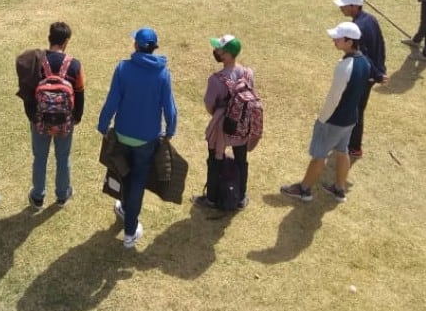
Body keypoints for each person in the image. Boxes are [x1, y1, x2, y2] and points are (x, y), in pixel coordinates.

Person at [96, 27, 178, 248]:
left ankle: (125, 209)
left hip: (122, 135)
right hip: (147, 140)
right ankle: (130, 231)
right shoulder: (163, 74)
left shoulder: (123, 68)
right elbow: (169, 108)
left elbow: (112, 101)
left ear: (136, 46)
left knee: (124, 174)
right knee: (138, 182)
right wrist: (170, 130)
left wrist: (103, 125)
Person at [280, 22, 370, 203]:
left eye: (338, 38)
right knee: (342, 151)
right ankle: (339, 188)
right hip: (351, 118)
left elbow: (334, 98)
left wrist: (322, 120)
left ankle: (304, 189)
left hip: (334, 120)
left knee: (319, 155)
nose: (334, 40)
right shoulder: (365, 63)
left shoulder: (344, 67)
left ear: (350, 41)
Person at [15, 22, 85, 208]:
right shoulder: (74, 65)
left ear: (49, 38)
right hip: (64, 120)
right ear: (66, 41)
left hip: (40, 120)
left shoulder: (37, 61)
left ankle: (38, 196)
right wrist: (76, 117)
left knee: (40, 157)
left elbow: (29, 91)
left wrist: (32, 116)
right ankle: (62, 195)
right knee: (63, 157)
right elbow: (79, 93)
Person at [196, 34, 255, 210]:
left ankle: (211, 199)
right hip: (242, 125)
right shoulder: (248, 73)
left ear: (227, 54)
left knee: (215, 160)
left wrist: (219, 114)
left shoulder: (215, 80)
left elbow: (209, 105)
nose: (216, 51)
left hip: (221, 126)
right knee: (241, 160)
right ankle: (240, 198)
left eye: (219, 49)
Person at [333, 0, 387, 158]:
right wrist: (381, 69)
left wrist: (377, 75)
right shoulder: (370, 19)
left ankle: (354, 147)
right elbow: (380, 45)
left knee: (355, 109)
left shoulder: (359, 28)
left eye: (344, 6)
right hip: (371, 72)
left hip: (366, 74)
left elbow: (363, 55)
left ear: (354, 6)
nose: (341, 8)